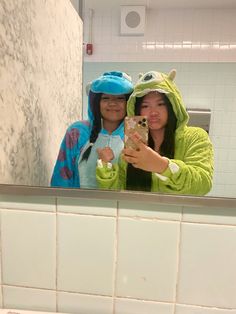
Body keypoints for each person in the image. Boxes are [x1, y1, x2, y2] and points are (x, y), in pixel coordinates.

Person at [96, 69, 214, 195]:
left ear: (173, 105)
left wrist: (162, 166)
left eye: (160, 104)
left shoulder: (195, 137)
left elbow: (203, 184)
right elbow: (120, 192)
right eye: (145, 106)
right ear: (137, 110)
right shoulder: (134, 142)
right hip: (138, 213)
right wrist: (106, 166)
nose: (153, 112)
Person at [51, 71, 134, 188]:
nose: (112, 103)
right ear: (96, 102)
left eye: (120, 98)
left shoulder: (134, 135)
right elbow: (62, 177)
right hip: (77, 204)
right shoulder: (77, 132)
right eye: (105, 98)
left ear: (128, 103)